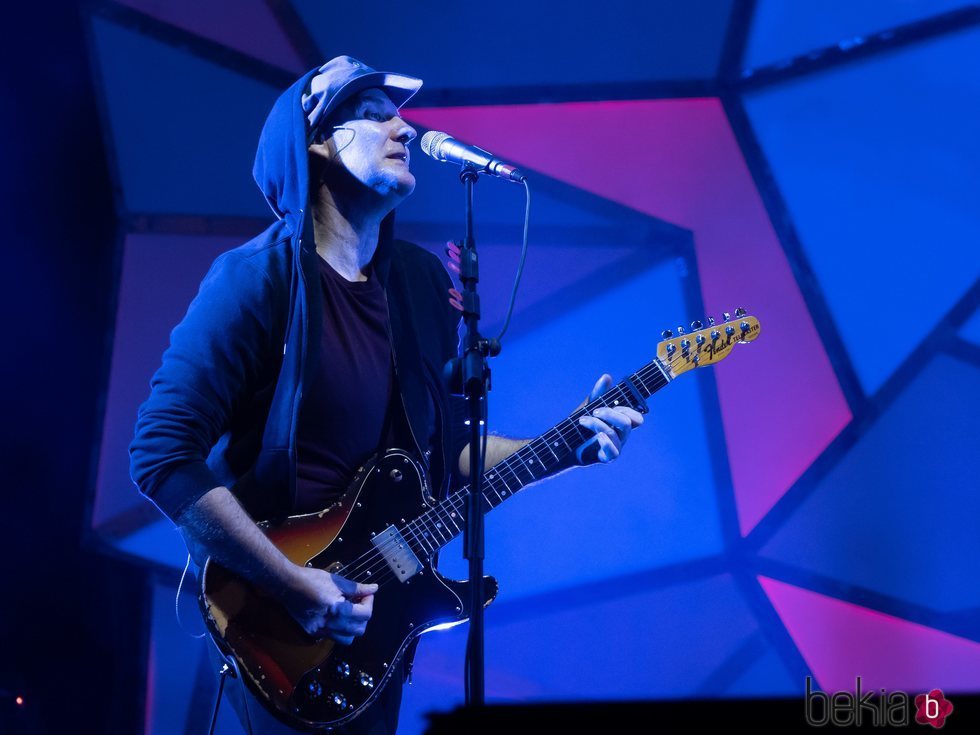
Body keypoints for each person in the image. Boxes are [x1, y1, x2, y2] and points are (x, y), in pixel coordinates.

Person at [129, 56, 644, 735]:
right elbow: (161, 456)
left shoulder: (420, 285)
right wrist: (289, 580)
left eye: (399, 113)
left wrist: (563, 447)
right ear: (314, 143)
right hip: (276, 625)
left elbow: (448, 451)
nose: (403, 128)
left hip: (378, 631)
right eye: (373, 114)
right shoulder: (254, 283)